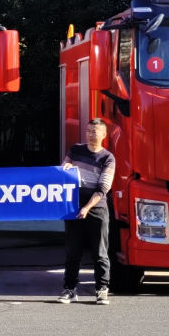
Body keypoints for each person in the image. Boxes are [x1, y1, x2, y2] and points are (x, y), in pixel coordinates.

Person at [59, 117, 116, 305]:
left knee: (100, 253)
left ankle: (101, 290)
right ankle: (69, 290)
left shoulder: (108, 158)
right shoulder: (75, 150)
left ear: (103, 135)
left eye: (95, 131)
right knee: (72, 251)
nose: (91, 134)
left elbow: (103, 188)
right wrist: (65, 169)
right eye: (88, 130)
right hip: (73, 207)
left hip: (97, 208)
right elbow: (63, 170)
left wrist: (87, 208)